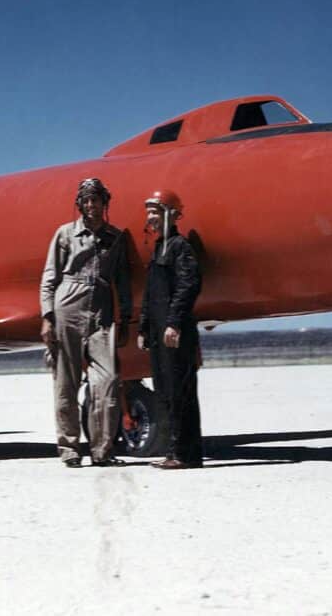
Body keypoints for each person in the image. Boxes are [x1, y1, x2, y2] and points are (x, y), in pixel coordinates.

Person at [40, 177, 132, 467]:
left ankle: (102, 450)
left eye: (97, 200)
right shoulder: (65, 234)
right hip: (68, 305)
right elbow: (50, 277)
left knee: (107, 381)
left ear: (105, 203)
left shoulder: (116, 238)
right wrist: (47, 318)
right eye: (86, 200)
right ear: (79, 204)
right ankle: (68, 448)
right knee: (66, 381)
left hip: (102, 312)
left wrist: (126, 316)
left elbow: (123, 280)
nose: (91, 205)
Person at [138, 189, 203, 469]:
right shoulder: (159, 248)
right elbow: (150, 293)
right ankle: (173, 451)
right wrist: (143, 328)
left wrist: (174, 322)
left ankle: (185, 455)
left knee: (180, 391)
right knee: (165, 391)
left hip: (174, 332)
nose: (151, 218)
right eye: (149, 212)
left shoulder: (180, 247)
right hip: (158, 332)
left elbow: (188, 286)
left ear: (171, 214)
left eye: (156, 212)